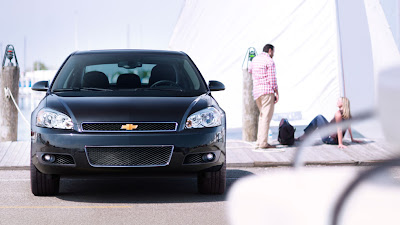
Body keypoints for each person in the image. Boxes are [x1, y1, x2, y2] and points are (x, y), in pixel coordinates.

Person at [296, 97, 362, 149]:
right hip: (333, 138)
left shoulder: (338, 114)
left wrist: (340, 144)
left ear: (343, 103)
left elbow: (339, 129)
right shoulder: (348, 115)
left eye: (339, 101)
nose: (337, 102)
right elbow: (348, 127)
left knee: (318, 117)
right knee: (319, 117)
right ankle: (304, 136)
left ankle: (303, 136)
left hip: (329, 139)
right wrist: (352, 139)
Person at [248, 44, 279, 149]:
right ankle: (263, 143)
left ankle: (259, 141)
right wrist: (276, 92)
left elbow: (249, 70)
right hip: (267, 91)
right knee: (266, 117)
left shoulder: (255, 60)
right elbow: (272, 79)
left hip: (257, 92)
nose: (273, 54)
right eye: (273, 52)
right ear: (270, 50)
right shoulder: (269, 61)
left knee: (262, 116)